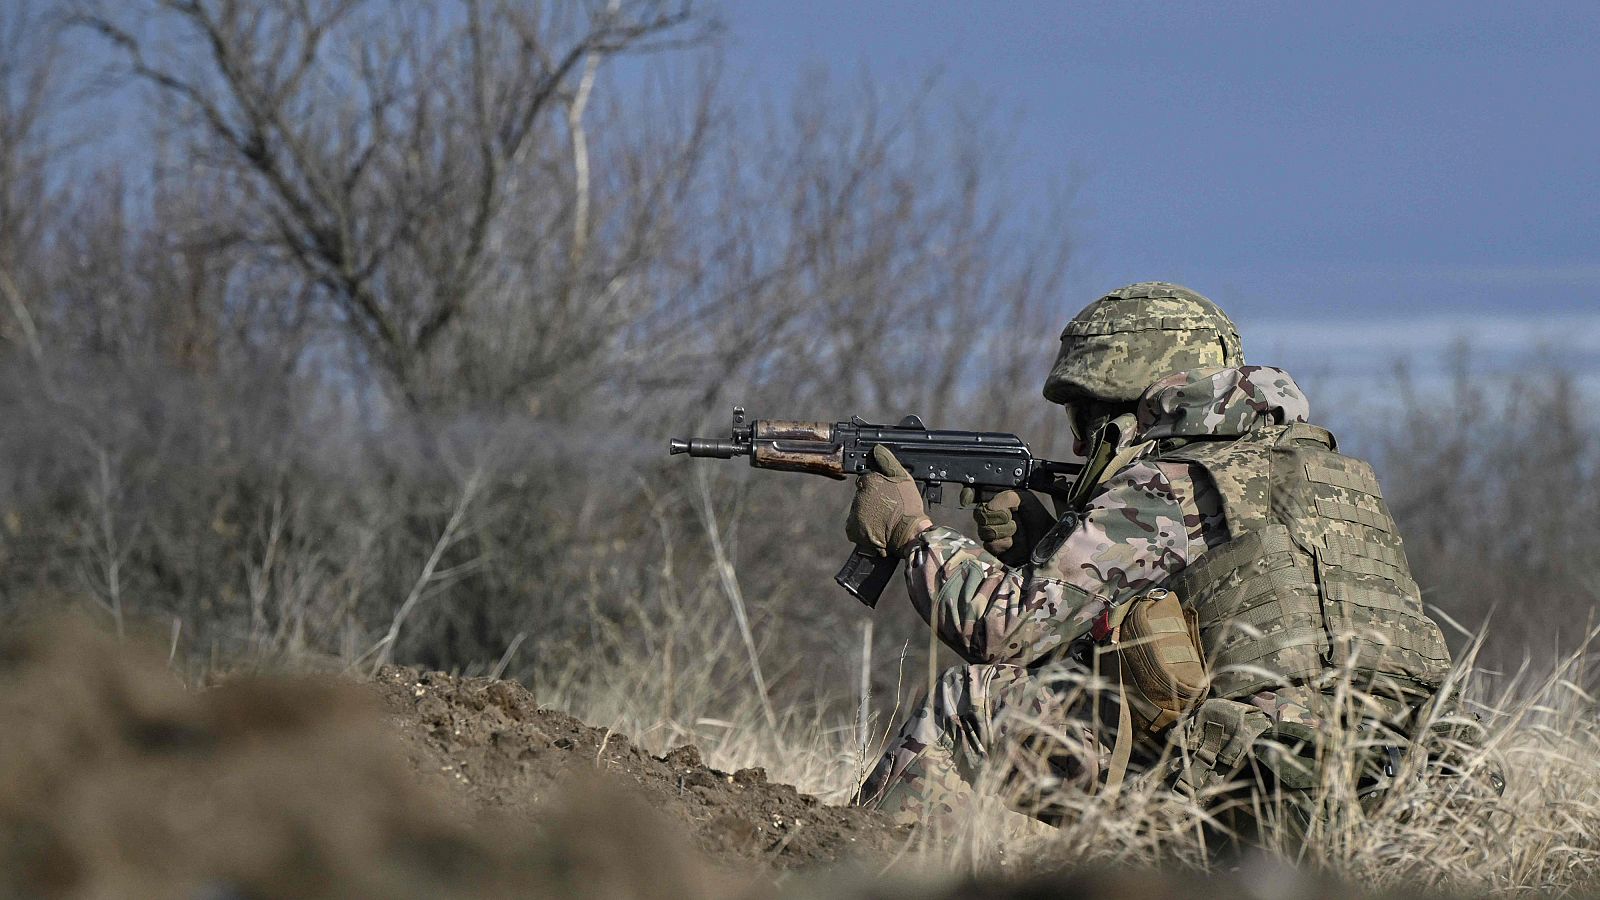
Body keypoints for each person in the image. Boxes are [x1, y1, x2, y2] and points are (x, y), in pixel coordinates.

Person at [844, 282, 1460, 832]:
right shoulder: (1337, 479)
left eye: (1086, 419)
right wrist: (1045, 544)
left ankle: (857, 874)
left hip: (1259, 790)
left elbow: (1005, 629)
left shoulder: (1169, 484)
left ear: (1134, 407)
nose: (1080, 443)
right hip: (1413, 782)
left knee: (969, 704)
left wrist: (912, 531)